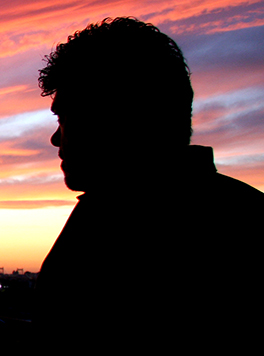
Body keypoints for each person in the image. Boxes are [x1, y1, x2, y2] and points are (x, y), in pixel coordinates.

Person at [37, 17, 263, 354]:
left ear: (111, 116)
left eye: (64, 117)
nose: (56, 138)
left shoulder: (111, 228)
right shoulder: (243, 213)